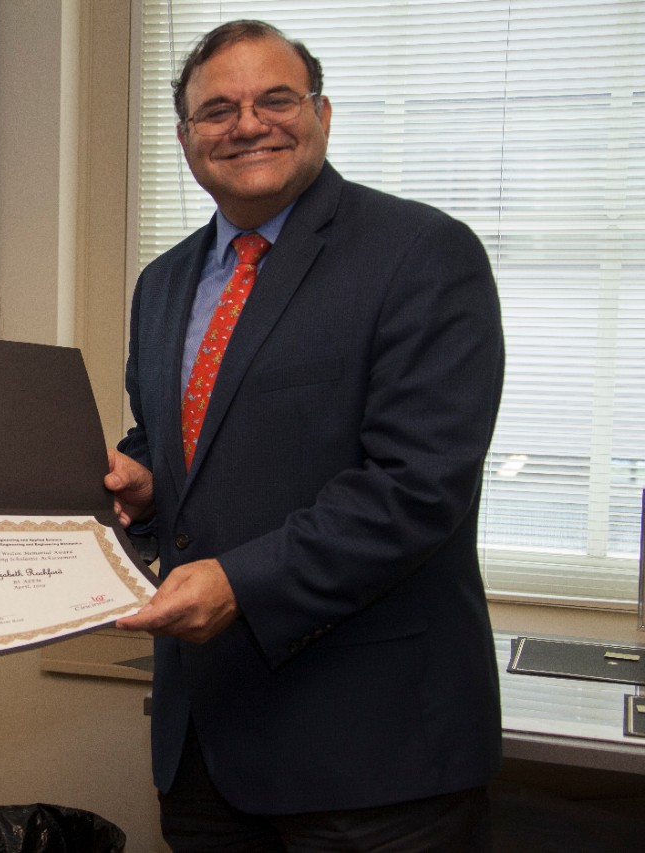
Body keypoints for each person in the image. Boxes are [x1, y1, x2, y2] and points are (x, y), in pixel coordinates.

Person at [105, 19, 505, 852]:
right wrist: (144, 482)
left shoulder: (423, 254)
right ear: (185, 139)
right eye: (217, 110)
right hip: (206, 747)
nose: (248, 123)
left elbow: (415, 485)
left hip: (375, 756)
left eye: (275, 99)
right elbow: (182, 442)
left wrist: (241, 583)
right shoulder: (164, 281)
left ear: (322, 112)